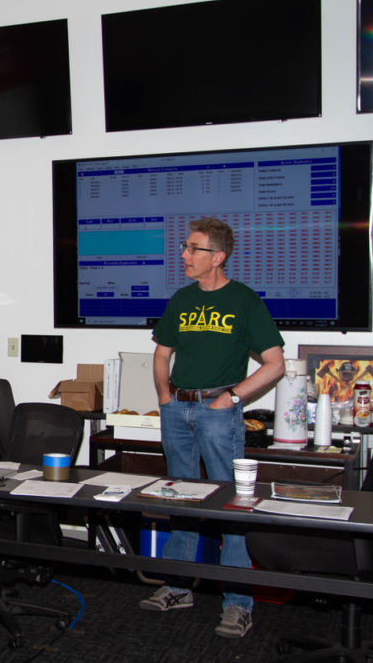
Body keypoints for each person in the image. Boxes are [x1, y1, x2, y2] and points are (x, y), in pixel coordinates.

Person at [139, 217, 284, 639]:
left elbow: (274, 364)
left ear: (217, 257)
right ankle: (178, 586)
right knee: (181, 501)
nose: (183, 255)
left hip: (219, 414)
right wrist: (165, 397)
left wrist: (232, 398)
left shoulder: (244, 301)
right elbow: (162, 353)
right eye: (184, 247)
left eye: (192, 248)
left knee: (230, 506)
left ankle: (238, 603)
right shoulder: (182, 300)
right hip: (177, 411)